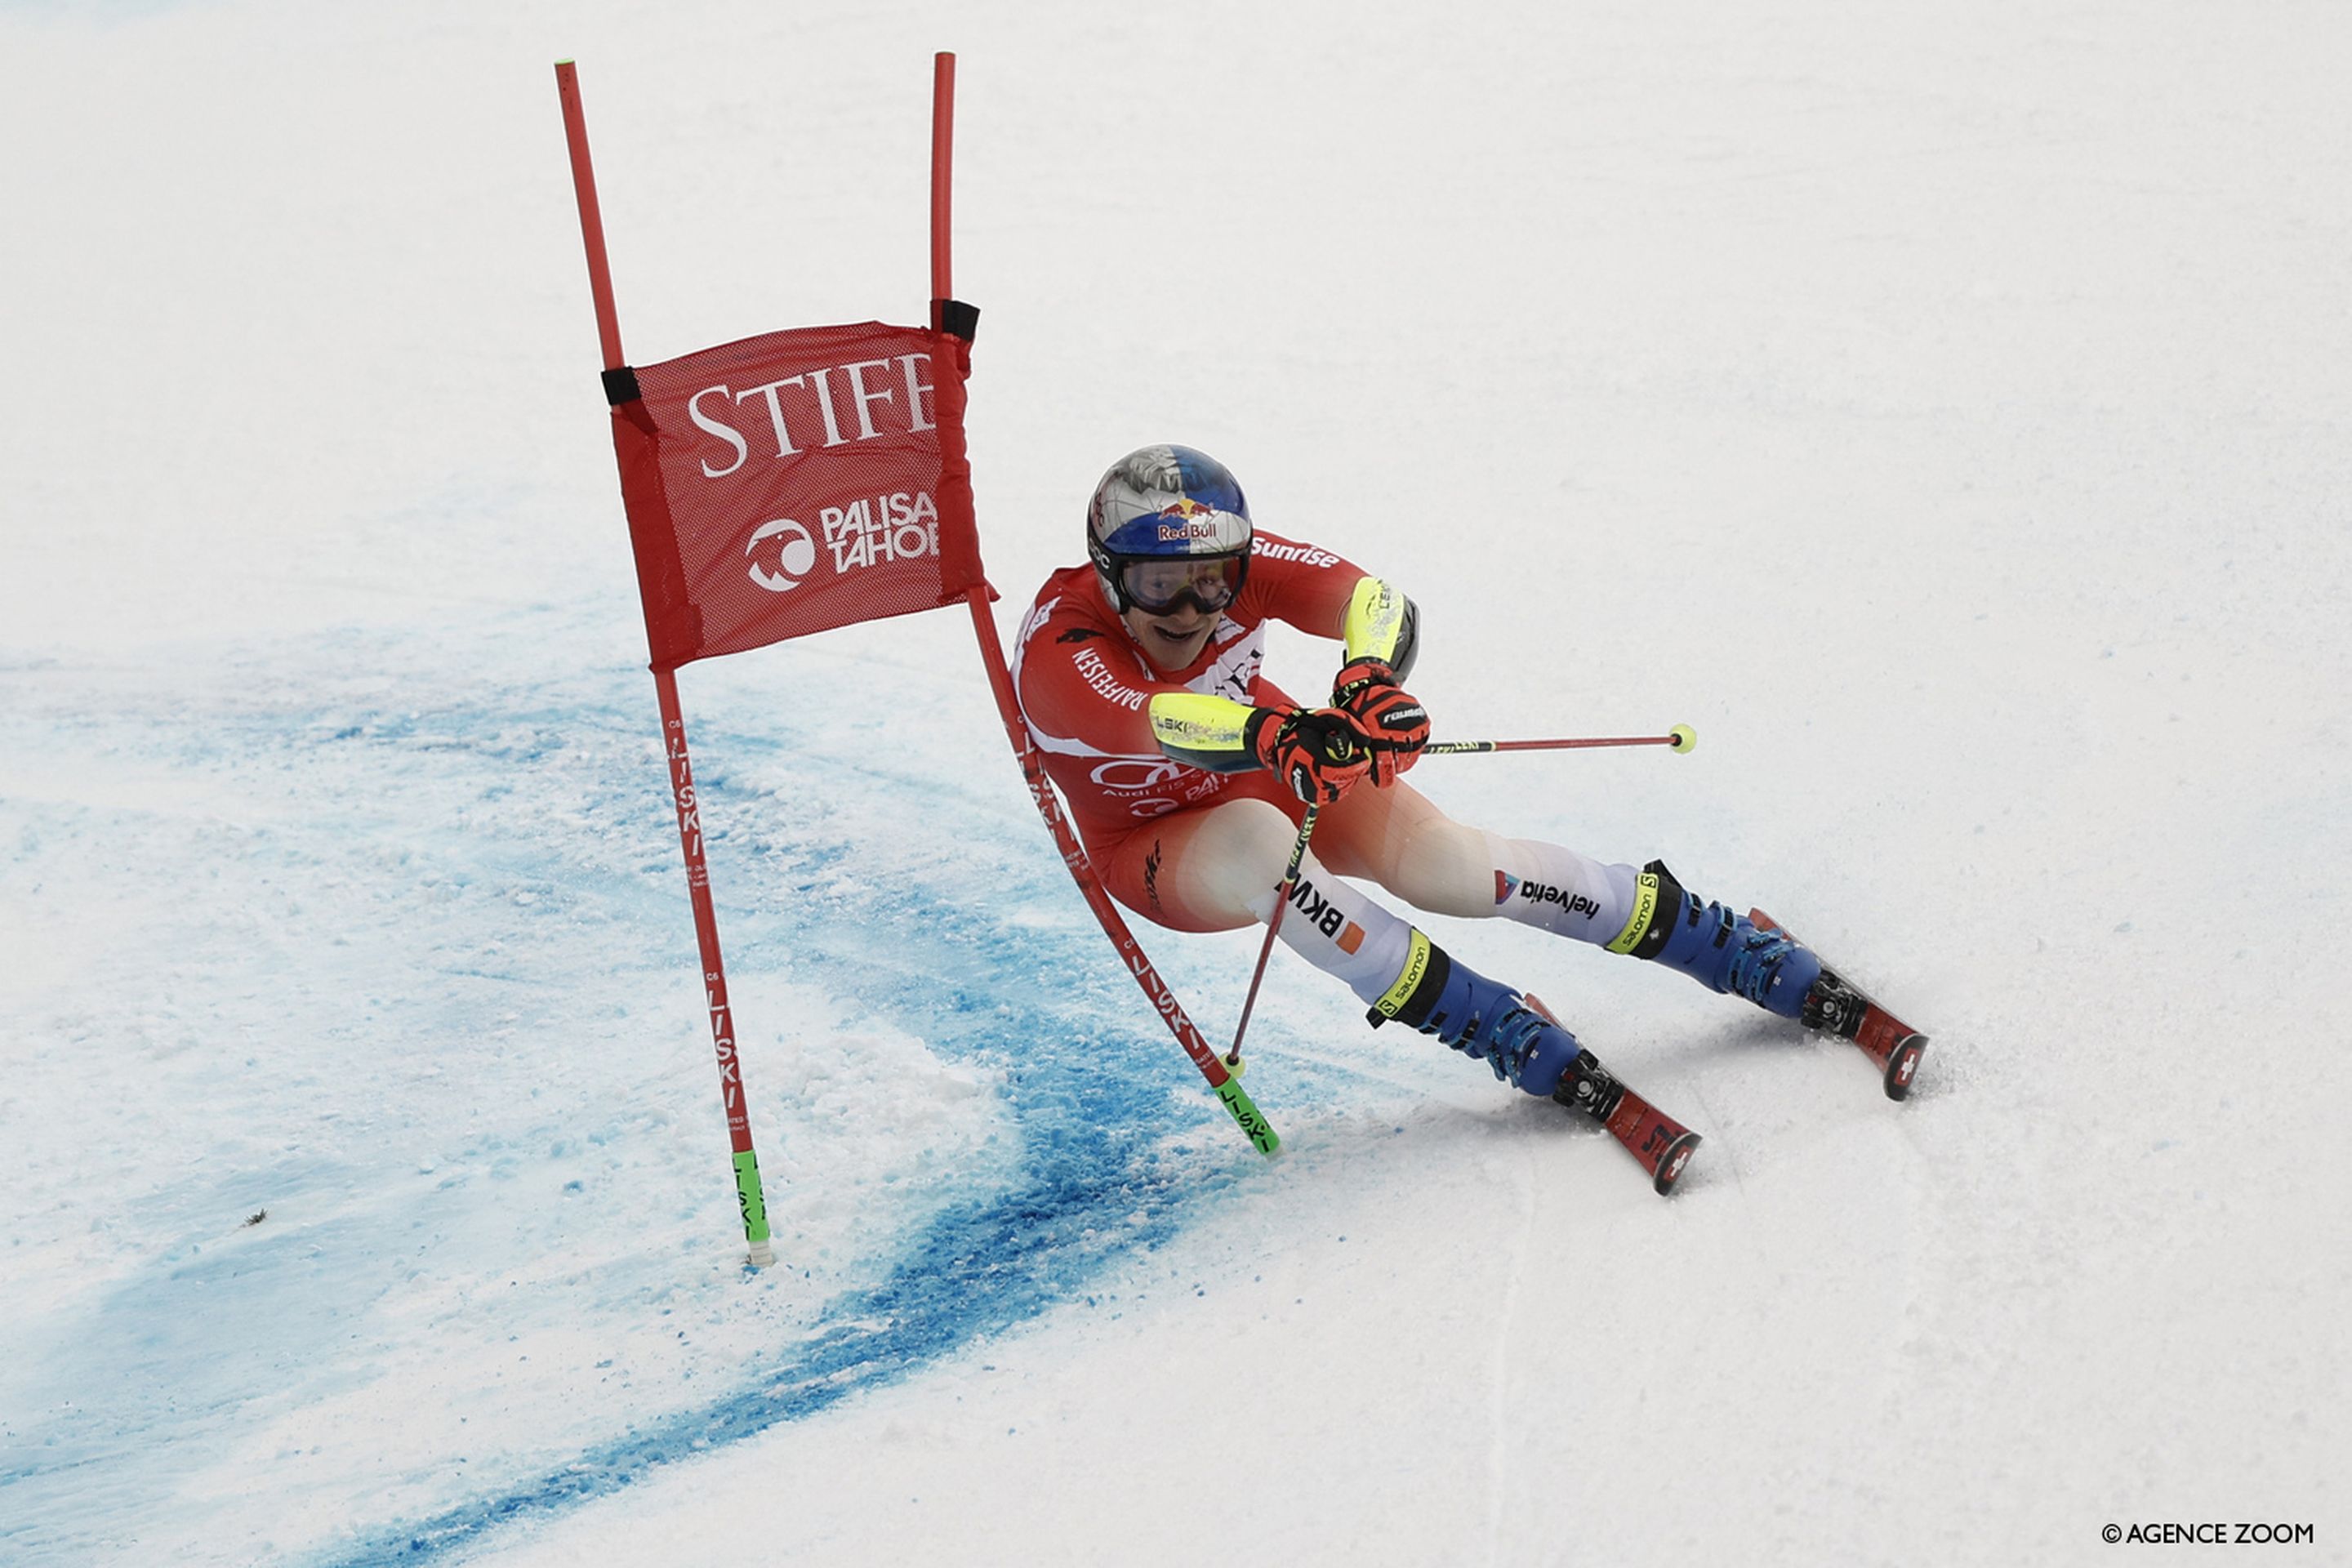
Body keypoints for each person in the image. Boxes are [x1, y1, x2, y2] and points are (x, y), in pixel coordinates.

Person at [1011, 443, 1827, 1127]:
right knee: (1266, 854)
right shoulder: (1062, 646)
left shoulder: (1237, 573)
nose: (1192, 608)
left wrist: (1369, 675)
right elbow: (1157, 721)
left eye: (1215, 581)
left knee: (1448, 867)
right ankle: (1489, 1022)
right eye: (1160, 586)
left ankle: (1712, 940)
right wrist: (1271, 733)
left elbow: (1372, 597)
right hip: (1156, 846)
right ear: (1113, 574)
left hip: (1277, 754)